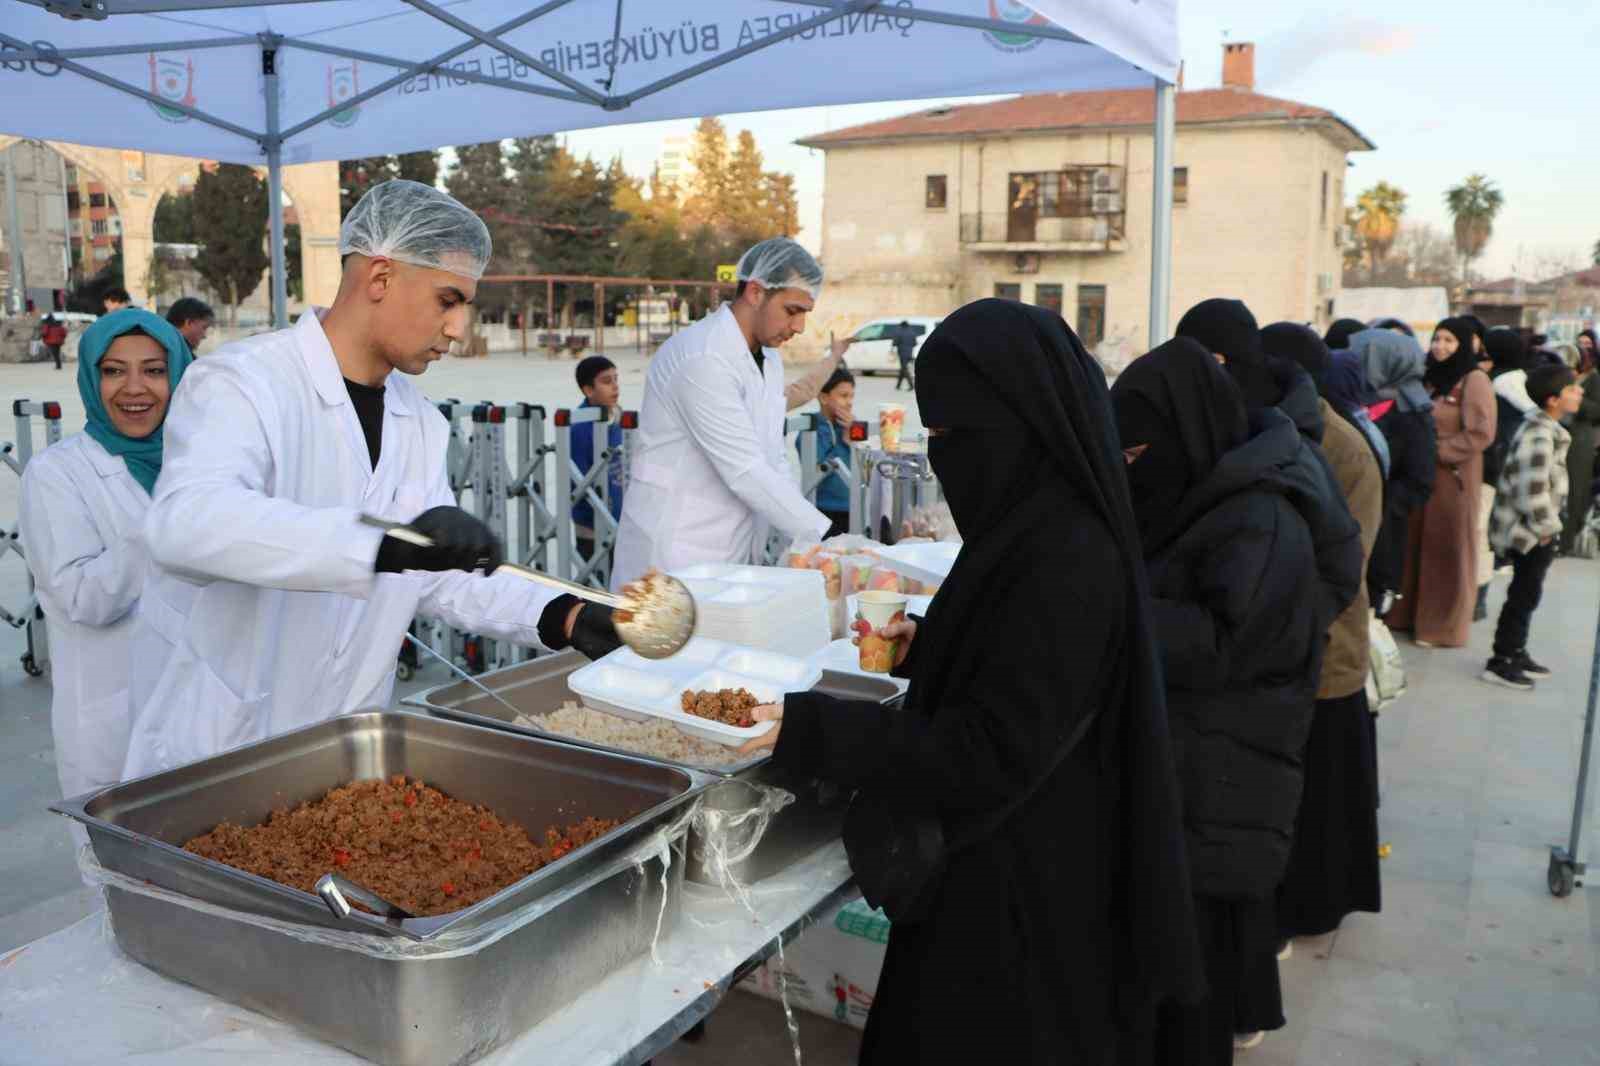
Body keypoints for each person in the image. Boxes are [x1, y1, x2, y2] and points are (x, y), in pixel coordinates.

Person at [740, 300, 1205, 1063]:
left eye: (956, 435)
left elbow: (988, 751)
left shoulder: (1068, 555)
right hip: (1008, 883)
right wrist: (929, 646)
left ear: (1018, 423)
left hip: (1020, 915)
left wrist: (810, 727)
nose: (943, 458)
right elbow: (1022, 665)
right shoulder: (1038, 527)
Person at [121, 180, 621, 779]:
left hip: (349, 750)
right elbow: (187, 525)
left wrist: (565, 614)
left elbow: (437, 573)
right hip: (228, 747)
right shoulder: (244, 382)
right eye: (447, 300)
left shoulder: (420, 422)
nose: (458, 328)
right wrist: (379, 542)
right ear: (380, 277)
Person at [1112, 338, 1361, 1064]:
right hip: (1200, 765)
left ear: (1184, 432)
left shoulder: (1258, 516)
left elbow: (1224, 643)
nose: (1132, 467)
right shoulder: (1208, 491)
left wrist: (1110, 611)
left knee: (1196, 977)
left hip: (1224, 774)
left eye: (1138, 453)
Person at [19, 309, 194, 800]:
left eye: (154, 370)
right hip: (115, 729)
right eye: (114, 370)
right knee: (124, 847)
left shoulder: (198, 464)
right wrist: (165, 524)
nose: (134, 388)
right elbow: (81, 599)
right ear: (91, 380)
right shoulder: (57, 474)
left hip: (206, 720)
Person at [613, 238, 846, 588]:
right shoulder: (702, 356)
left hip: (729, 548)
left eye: (805, 314)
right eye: (792, 310)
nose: (799, 326)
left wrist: (806, 540)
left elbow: (773, 454)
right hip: (674, 550)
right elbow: (744, 468)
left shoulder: (768, 357)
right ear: (755, 292)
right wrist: (823, 534)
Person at [1261, 324, 1384, 947]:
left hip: (1327, 647)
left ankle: (1311, 908)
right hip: (1301, 640)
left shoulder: (1341, 448)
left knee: (1320, 800)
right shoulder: (1289, 431)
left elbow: (1343, 565)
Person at [1388, 318, 1495, 647]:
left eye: (1449, 340)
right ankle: (1405, 616)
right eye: (1437, 339)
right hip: (1420, 476)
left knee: (1446, 550)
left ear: (1463, 344)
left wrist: (1436, 451)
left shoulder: (1474, 379)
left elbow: (1481, 432)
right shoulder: (1428, 377)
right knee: (1414, 545)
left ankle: (1440, 628)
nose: (1440, 346)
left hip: (1453, 479)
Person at [1484, 365, 1583, 689]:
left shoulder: (1546, 428)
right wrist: (1547, 529)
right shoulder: (1540, 435)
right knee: (1523, 595)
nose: (1579, 393)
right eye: (1572, 389)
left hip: (1534, 529)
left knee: (1528, 593)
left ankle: (1516, 650)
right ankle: (1501, 660)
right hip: (1529, 532)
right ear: (1553, 399)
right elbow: (1531, 490)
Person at [1350, 328, 1436, 616]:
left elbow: (1420, 480)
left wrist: (1380, 505)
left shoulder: (1413, 413)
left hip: (1380, 530)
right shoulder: (1357, 400)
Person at [570, 355, 624, 566]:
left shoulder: (618, 417)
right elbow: (579, 481)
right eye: (607, 381)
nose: (615, 386)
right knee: (595, 582)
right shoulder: (579, 428)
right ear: (588, 390)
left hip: (620, 524)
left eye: (616, 379)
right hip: (593, 531)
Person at [804, 365, 856, 537]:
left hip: (852, 507)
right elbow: (818, 470)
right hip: (824, 509)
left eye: (852, 396)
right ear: (824, 397)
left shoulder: (849, 426)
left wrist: (852, 438)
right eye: (843, 396)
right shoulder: (811, 431)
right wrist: (845, 441)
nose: (849, 402)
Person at [1561, 333, 1600, 554]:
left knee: (1575, 490)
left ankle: (1567, 541)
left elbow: (1597, 410)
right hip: (1561, 435)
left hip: (1580, 440)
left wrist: (1576, 399)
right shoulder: (1564, 376)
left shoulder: (1593, 378)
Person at [892, 319, 919, 392]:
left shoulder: (899, 332)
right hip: (910, 353)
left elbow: (894, 343)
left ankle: (911, 385)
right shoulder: (912, 332)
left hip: (902, 353)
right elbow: (915, 343)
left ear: (901, 326)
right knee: (903, 369)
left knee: (904, 369)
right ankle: (898, 385)